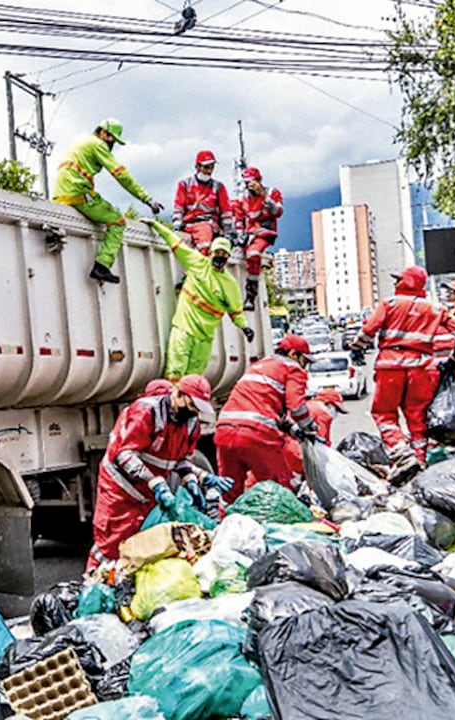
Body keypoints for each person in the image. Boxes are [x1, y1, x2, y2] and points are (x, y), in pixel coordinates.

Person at [87, 375, 232, 570]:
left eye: (198, 408)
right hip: (120, 489)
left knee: (144, 542)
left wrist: (191, 480)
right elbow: (125, 455)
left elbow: (181, 459)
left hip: (149, 491)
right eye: (192, 405)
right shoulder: (148, 412)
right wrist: (155, 482)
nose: (194, 412)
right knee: (111, 544)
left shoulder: (191, 423)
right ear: (179, 394)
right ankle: (94, 586)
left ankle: (124, 588)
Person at [350, 266, 455, 478]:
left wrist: (357, 348)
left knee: (384, 413)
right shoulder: (436, 309)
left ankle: (402, 453)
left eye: (399, 280)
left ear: (408, 282)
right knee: (418, 417)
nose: (395, 284)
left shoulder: (390, 304)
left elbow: (368, 330)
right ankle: (419, 460)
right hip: (422, 368)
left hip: (391, 366)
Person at [53, 119, 163, 283]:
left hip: (60, 194)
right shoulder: (98, 145)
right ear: (103, 132)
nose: (112, 144)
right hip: (78, 193)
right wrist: (146, 198)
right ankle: (102, 266)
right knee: (117, 221)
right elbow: (121, 175)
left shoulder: (81, 140)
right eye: (111, 138)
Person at [146, 220, 253, 378]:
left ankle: (187, 401)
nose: (220, 257)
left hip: (204, 337)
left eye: (224, 254)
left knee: (194, 376)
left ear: (228, 257)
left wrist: (245, 327)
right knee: (175, 370)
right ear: (210, 252)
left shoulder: (230, 284)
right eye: (217, 252)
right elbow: (175, 243)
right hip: (184, 328)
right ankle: (173, 401)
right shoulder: (197, 263)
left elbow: (236, 311)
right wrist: (156, 225)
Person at [216, 335, 317, 502]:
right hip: (255, 435)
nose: (304, 366)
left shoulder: (258, 366)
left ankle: (229, 523)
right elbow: (297, 406)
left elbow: (267, 406)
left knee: (230, 492)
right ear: (293, 354)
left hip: (224, 431)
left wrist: (293, 430)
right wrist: (309, 428)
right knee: (280, 489)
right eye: (304, 360)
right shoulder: (292, 368)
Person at [235, 167, 284, 311]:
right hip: (249, 233)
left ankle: (251, 295)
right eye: (246, 183)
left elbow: (278, 212)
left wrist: (263, 196)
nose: (249, 186)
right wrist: (239, 235)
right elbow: (238, 218)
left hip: (265, 232)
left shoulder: (271, 193)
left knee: (253, 254)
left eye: (252, 182)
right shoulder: (242, 198)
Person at [172, 150, 234, 254]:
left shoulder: (218, 187)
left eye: (211, 167)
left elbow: (226, 211)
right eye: (206, 167)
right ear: (197, 167)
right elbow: (179, 207)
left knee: (208, 238)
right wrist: (177, 226)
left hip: (210, 225)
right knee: (203, 235)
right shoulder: (185, 184)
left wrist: (228, 232)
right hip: (189, 225)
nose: (209, 171)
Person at [282, 387, 348, 477]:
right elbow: (322, 443)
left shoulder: (308, 406)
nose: (336, 413)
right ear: (327, 404)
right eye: (336, 409)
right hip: (300, 454)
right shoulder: (322, 413)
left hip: (287, 450)